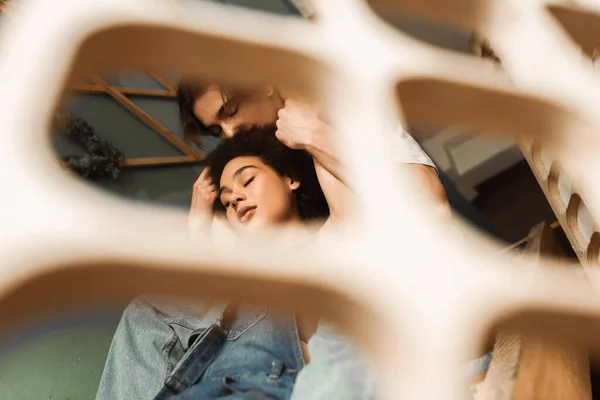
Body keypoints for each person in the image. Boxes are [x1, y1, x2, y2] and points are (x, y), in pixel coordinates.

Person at [96, 127, 359, 399]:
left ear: (290, 178)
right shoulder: (237, 285)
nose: (234, 198)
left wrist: (306, 132)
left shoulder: (328, 241)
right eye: (226, 199)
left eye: (247, 180)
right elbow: (188, 316)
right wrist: (199, 225)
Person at [178, 81, 451, 238]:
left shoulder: (337, 109)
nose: (229, 133)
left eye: (231, 111)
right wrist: (198, 229)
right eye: (216, 130)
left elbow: (430, 203)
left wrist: (316, 136)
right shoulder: (246, 167)